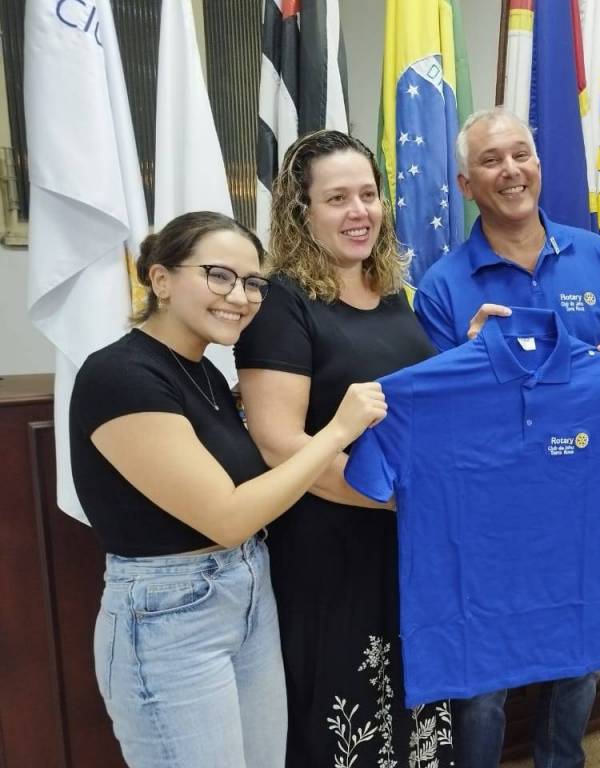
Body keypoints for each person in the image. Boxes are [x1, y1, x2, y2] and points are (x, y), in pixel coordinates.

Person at [413, 106, 600, 768]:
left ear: (540, 165)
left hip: (587, 506)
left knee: (578, 663)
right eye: (490, 160)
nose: (510, 170)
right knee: (483, 687)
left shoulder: (595, 255)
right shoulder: (441, 286)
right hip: (487, 520)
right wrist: (469, 358)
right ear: (465, 185)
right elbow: (433, 419)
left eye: (521, 154)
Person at [69, 211, 385, 768]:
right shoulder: (119, 375)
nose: (240, 297)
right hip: (171, 616)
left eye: (253, 282)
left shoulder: (205, 373)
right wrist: (337, 431)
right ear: (161, 279)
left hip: (246, 591)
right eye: (219, 276)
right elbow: (229, 516)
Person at [234, 130, 452, 767]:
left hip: (405, 541)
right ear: (301, 211)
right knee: (348, 724)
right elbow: (279, 443)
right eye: (337, 199)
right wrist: (394, 502)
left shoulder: (392, 292)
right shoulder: (281, 303)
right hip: (330, 548)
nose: (360, 211)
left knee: (416, 718)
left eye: (368, 194)